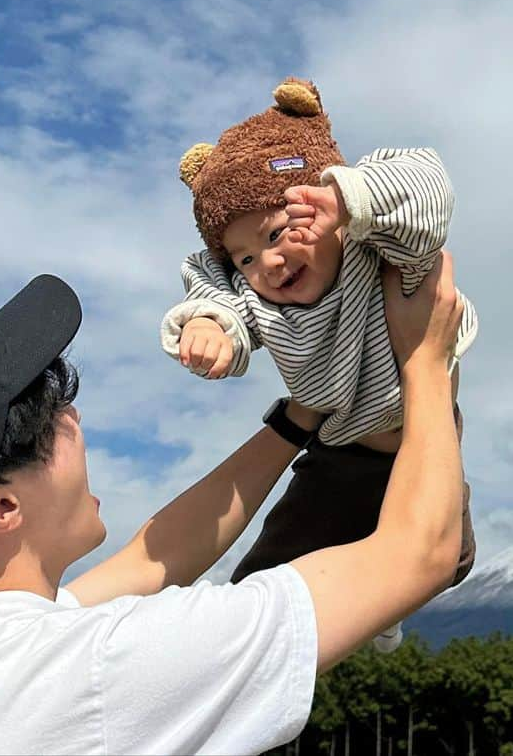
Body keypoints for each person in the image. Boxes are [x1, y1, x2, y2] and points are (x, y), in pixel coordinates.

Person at [0, 256, 466, 756]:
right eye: (51, 420)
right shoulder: (96, 668)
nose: (74, 416)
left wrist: (304, 411)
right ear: (3, 507)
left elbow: (153, 559)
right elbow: (419, 556)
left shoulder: (8, 657)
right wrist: (425, 361)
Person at [157, 77, 477, 650]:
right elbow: (215, 289)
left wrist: (352, 198)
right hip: (338, 452)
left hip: (424, 437)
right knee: (270, 567)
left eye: (279, 233)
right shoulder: (262, 300)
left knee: (444, 554)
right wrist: (209, 326)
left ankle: (383, 601)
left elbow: (427, 187)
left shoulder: (375, 249)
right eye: (246, 256)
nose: (268, 262)